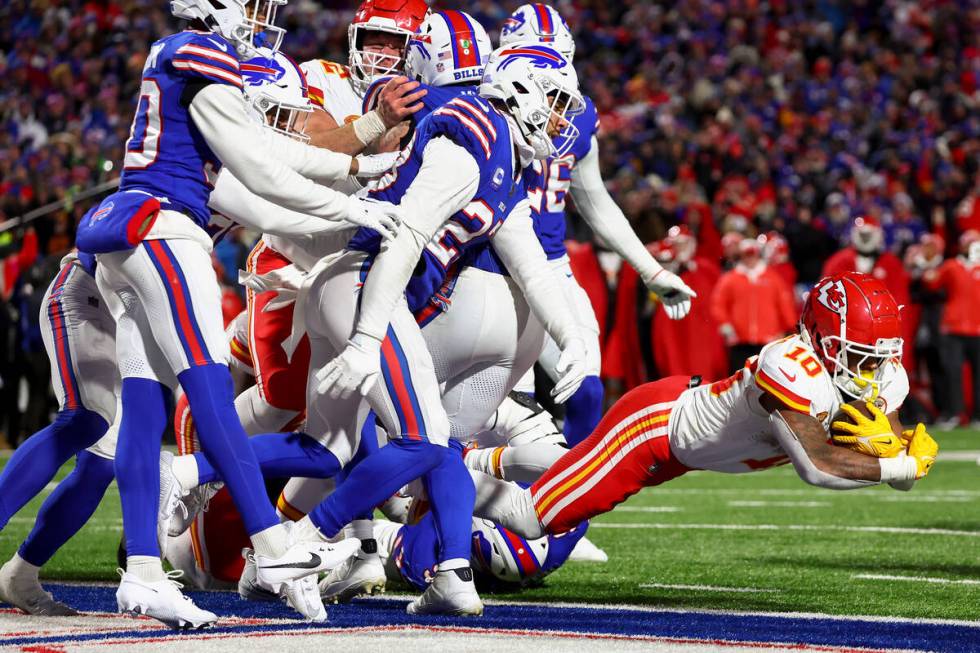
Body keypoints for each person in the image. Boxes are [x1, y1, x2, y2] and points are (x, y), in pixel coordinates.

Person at [89, 0, 398, 626]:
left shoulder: (183, 63)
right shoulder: (200, 57)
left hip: (132, 238)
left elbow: (272, 174)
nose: (261, 17)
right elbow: (263, 168)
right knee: (206, 386)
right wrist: (352, 208)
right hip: (163, 231)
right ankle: (271, 542)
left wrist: (361, 166)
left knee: (144, 405)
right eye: (251, 6)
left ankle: (144, 572)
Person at [471, 273, 939, 540]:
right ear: (817, 336)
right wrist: (899, 468)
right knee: (534, 520)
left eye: (877, 356)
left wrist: (902, 458)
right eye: (856, 353)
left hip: (681, 451)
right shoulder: (793, 366)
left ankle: (477, 458)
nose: (869, 369)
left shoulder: (885, 377)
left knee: (570, 465)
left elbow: (891, 466)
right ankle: (443, 475)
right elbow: (817, 467)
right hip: (652, 429)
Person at [487, 3, 696, 448]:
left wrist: (651, 270)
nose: (543, 78)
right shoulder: (479, 106)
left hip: (552, 265)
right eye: (530, 63)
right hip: (488, 266)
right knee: (502, 410)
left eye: (550, 65)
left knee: (587, 389)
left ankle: (566, 514)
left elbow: (594, 199)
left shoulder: (577, 114)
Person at [711, 237, 796, 373]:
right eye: (746, 255)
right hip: (739, 340)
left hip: (768, 339)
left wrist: (787, 328)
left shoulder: (772, 278)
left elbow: (784, 304)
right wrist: (725, 324)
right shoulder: (730, 279)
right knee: (739, 378)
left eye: (752, 254)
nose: (750, 258)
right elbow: (718, 304)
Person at [922, 230, 980, 429]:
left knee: (978, 374)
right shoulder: (952, 265)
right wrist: (927, 262)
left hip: (977, 329)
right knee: (952, 372)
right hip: (953, 327)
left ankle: (977, 416)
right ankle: (955, 413)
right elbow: (931, 282)